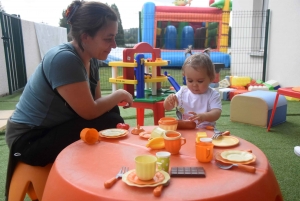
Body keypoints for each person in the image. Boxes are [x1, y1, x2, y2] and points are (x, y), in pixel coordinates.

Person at [4, 0, 133, 199]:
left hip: (53, 129)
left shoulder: (92, 59)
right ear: (85, 37)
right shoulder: (64, 59)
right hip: (28, 140)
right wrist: (119, 94)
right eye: (108, 38)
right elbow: (90, 112)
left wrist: (111, 103)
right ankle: (94, 178)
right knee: (108, 120)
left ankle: (99, 173)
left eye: (114, 37)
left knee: (110, 116)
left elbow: (97, 106)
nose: (114, 45)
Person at [164, 47, 222, 128]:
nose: (194, 85)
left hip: (205, 130)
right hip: (185, 128)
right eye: (190, 81)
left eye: (200, 81)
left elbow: (216, 112)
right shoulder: (182, 92)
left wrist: (204, 116)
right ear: (185, 77)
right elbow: (167, 107)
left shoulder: (213, 95)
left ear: (211, 78)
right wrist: (168, 101)